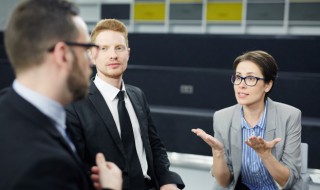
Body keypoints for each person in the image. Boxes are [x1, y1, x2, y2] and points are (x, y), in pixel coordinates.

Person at [0, 0, 122, 190]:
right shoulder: (45, 166)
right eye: (85, 50)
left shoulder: (7, 107)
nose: (90, 62)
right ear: (63, 54)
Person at [65, 18, 185, 190]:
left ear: (128, 53)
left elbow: (154, 146)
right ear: (91, 54)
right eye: (104, 48)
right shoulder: (76, 104)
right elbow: (75, 168)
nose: (113, 55)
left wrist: (168, 181)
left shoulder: (137, 95)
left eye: (119, 48)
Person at [192, 50, 304, 190]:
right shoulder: (222, 117)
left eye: (250, 79)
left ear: (268, 85)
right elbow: (224, 182)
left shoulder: (290, 116)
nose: (241, 85)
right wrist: (218, 152)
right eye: (238, 77)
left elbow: (288, 181)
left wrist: (265, 155)